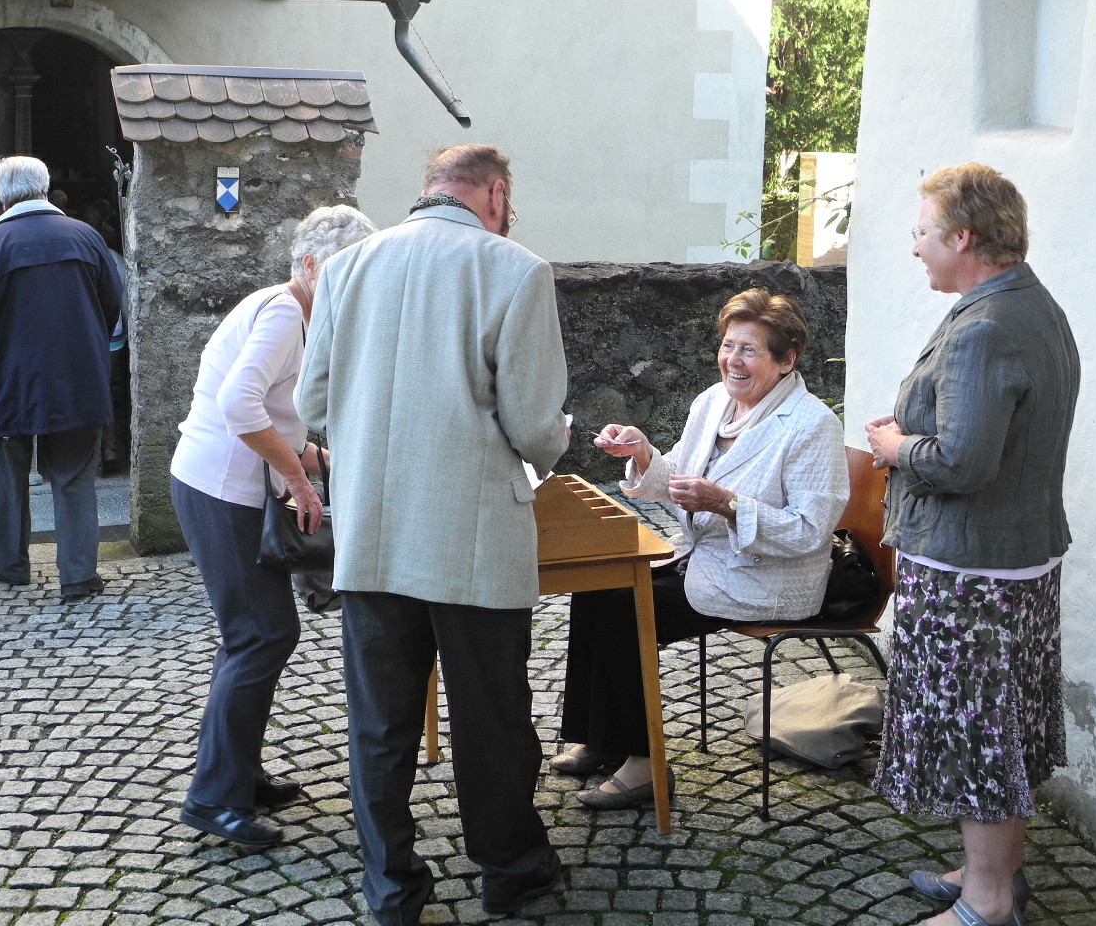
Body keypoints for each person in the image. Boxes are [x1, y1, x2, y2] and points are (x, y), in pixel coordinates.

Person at [297, 144, 570, 926]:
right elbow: (533, 425)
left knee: (379, 724)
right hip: (472, 535)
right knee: (490, 716)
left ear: (429, 190)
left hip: (373, 533)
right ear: (495, 193)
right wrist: (557, 437)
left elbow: (313, 405)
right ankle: (510, 869)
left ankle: (391, 888)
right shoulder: (516, 269)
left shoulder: (346, 268)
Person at [866, 164, 1078, 926]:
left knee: (977, 734)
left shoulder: (984, 328)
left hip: (970, 572)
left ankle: (985, 904)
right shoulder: (1030, 303)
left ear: (962, 237)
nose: (914, 246)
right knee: (1002, 727)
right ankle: (996, 874)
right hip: (1014, 562)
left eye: (922, 232)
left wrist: (895, 447)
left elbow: (962, 463)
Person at [564, 289, 849, 808]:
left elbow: (810, 531)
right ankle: (604, 740)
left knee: (622, 608)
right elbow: (677, 476)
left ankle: (645, 765)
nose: (732, 360)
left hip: (766, 579)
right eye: (727, 346)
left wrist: (728, 505)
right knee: (597, 586)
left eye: (749, 350)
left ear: (787, 360)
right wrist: (643, 453)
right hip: (705, 560)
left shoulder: (812, 426)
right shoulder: (712, 402)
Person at [170, 205, 377, 847]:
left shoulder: (292, 311)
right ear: (310, 265)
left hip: (226, 485)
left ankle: (237, 772)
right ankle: (214, 797)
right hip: (220, 489)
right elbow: (238, 405)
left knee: (256, 634)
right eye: (347, 272)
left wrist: (318, 461)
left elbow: (274, 417)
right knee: (259, 633)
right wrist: (298, 478)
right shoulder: (286, 312)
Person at [0, 156, 125, 604]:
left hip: (8, 380)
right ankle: (79, 575)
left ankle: (10, 564)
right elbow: (111, 303)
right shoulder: (86, 238)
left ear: (2, 196)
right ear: (46, 188)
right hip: (77, 378)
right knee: (74, 476)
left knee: (7, 476)